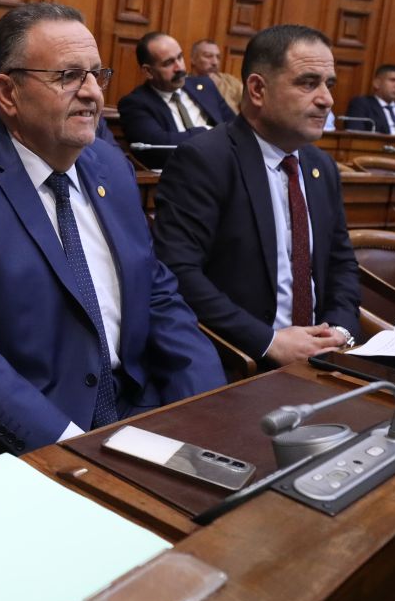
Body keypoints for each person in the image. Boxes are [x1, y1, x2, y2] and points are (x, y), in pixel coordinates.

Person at [0, 2, 223, 457]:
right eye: (68, 76)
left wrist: (206, 407)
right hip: (38, 437)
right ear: (8, 93)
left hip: (143, 412)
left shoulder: (111, 166)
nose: (92, 93)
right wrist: (65, 444)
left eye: (96, 75)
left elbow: (158, 295)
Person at [153, 24, 361, 367]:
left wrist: (340, 330)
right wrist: (268, 342)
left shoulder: (321, 166)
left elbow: (341, 263)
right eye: (308, 83)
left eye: (329, 84)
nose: (327, 99)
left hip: (323, 359)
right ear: (258, 89)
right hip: (240, 360)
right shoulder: (206, 159)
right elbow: (178, 271)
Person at [116, 31, 236, 151]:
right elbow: (158, 146)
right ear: (148, 71)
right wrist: (209, 132)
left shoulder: (205, 86)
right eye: (168, 63)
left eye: (180, 57)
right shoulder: (135, 104)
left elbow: (235, 126)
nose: (179, 68)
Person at [189, 37, 243, 113]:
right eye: (208, 56)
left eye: (218, 57)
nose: (215, 62)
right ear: (193, 59)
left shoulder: (230, 82)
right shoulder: (184, 84)